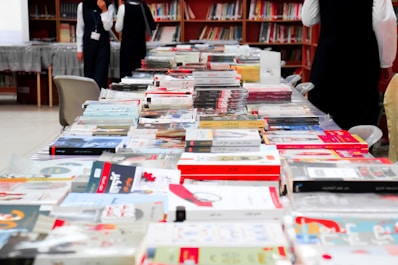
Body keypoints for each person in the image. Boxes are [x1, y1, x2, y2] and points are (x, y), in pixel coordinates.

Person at [301, 0, 397, 130]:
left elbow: (308, 19)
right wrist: (386, 61)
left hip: (328, 62)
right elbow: (383, 20)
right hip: (361, 62)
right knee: (359, 124)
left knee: (323, 123)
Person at [76, 0, 115, 89]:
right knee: (89, 75)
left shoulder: (109, 6)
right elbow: (80, 28)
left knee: (101, 75)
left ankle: (100, 100)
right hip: (88, 44)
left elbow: (108, 27)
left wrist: (104, 9)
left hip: (103, 45)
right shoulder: (82, 6)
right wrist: (79, 49)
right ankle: (89, 99)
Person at [115, 0, 156, 78]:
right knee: (140, 73)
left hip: (127, 46)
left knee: (126, 74)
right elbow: (152, 26)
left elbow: (118, 28)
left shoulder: (123, 7)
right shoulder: (144, 6)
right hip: (140, 45)